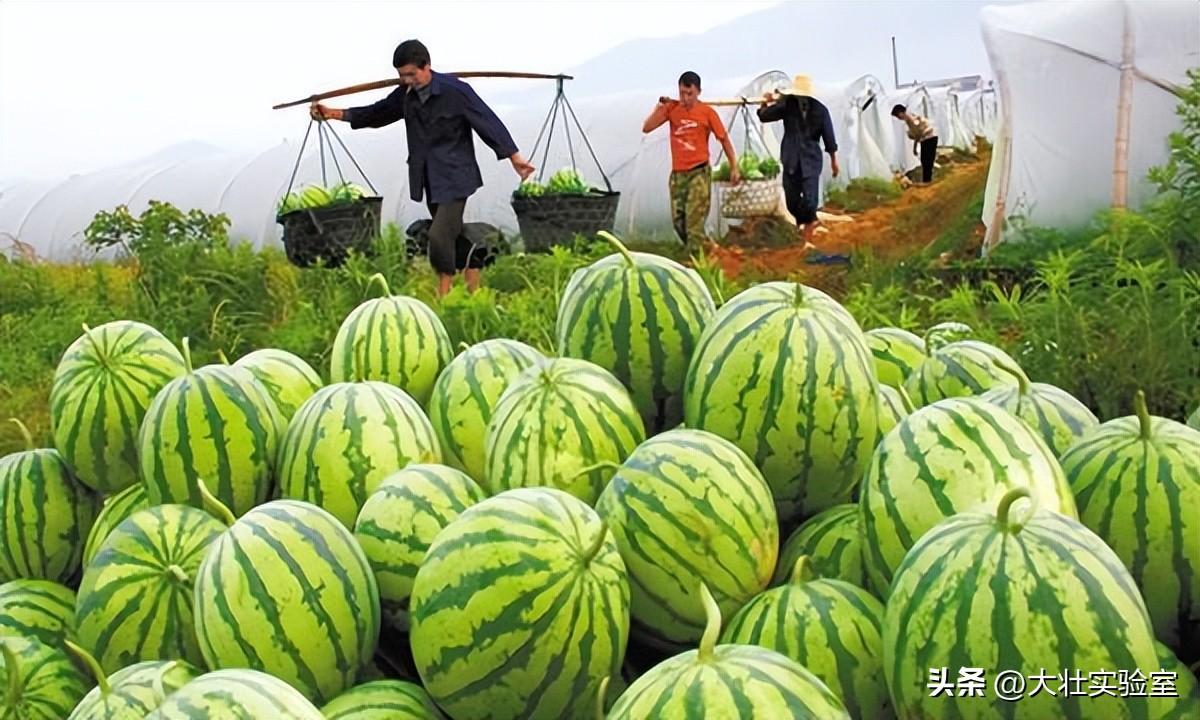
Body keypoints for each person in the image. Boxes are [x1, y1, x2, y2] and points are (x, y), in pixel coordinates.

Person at [311, 39, 535, 296]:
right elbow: (377, 113)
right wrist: (333, 113)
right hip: (428, 177)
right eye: (402, 76)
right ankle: (474, 285)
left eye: (411, 74)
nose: (407, 80)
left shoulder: (456, 92)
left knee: (439, 235)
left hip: (456, 176)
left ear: (426, 66)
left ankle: (445, 296)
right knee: (453, 235)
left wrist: (514, 156)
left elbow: (486, 121)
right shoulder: (406, 96)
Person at [642, 71, 740, 248]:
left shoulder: (707, 112)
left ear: (698, 92)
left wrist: (734, 166)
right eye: (682, 93)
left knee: (694, 224)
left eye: (690, 94)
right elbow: (647, 128)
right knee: (679, 223)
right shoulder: (672, 110)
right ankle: (709, 249)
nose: (685, 98)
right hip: (678, 175)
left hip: (698, 173)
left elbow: (724, 139)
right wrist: (659, 108)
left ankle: (695, 261)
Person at [757, 74, 838, 249]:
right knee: (792, 200)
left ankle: (807, 236)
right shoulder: (787, 105)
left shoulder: (820, 110)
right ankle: (807, 223)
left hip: (811, 159)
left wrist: (833, 161)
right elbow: (765, 116)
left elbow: (829, 137)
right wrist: (764, 103)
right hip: (791, 157)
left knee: (810, 200)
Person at [891, 104, 938, 185]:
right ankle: (927, 181)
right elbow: (917, 133)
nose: (898, 118)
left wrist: (915, 146)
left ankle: (927, 182)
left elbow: (918, 133)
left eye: (898, 116)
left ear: (901, 113)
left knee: (927, 160)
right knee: (926, 160)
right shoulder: (910, 118)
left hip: (929, 138)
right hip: (928, 138)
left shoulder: (910, 119)